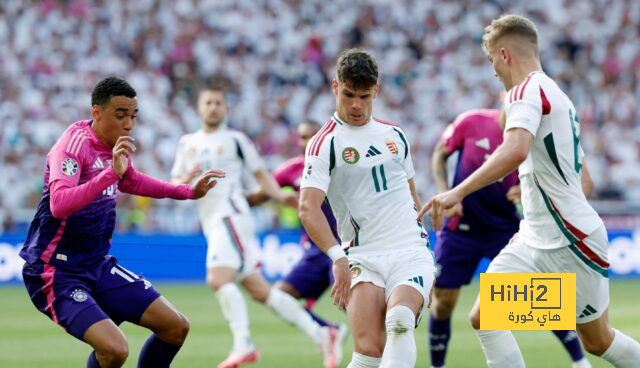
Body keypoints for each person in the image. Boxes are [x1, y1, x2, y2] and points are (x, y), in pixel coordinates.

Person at [419, 14, 640, 368]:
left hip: (570, 242)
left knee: (598, 340)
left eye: (491, 60)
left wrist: (456, 192)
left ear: (504, 55)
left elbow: (516, 149)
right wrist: (536, 191)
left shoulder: (522, 91)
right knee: (484, 316)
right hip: (536, 238)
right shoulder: (558, 97)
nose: (492, 70)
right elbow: (586, 181)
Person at [20, 76, 225, 368]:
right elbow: (59, 204)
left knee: (175, 327)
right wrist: (109, 175)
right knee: (115, 349)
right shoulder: (73, 145)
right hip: (56, 270)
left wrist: (188, 192)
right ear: (96, 113)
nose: (129, 124)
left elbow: (133, 181)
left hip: (96, 264)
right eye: (120, 115)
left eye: (133, 116)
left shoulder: (114, 146)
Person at [171, 84, 341, 368]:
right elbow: (175, 184)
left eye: (218, 103)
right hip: (211, 221)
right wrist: (185, 180)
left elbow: (262, 175)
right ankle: (324, 332)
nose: (213, 107)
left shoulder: (236, 139)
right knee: (261, 291)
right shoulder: (186, 143)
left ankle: (243, 345)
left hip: (231, 215)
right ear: (200, 108)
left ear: (225, 108)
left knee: (217, 279)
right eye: (208, 102)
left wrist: (281, 196)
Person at [299, 48, 436, 368]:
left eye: (364, 96)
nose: (356, 105)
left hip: (409, 249)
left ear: (376, 90)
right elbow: (308, 208)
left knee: (400, 320)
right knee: (368, 352)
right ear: (336, 87)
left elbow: (412, 195)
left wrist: (429, 252)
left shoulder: (395, 135)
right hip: (362, 254)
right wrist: (337, 257)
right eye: (348, 95)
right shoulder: (325, 144)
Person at [428, 108, 590, 368]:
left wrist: (528, 190)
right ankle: (438, 365)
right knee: (443, 301)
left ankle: (579, 361)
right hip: (461, 227)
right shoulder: (471, 121)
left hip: (505, 228)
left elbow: (561, 179)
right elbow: (439, 153)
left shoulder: (533, 135)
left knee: (539, 294)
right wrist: (444, 191)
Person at [246, 119, 350, 367]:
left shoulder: (342, 166)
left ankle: (381, 353)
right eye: (303, 137)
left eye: (313, 136)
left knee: (353, 305)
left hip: (346, 246)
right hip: (316, 249)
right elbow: (259, 195)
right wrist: (228, 196)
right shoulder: (291, 169)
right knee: (281, 296)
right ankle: (329, 330)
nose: (307, 141)